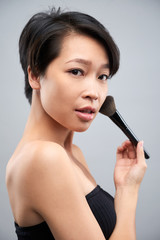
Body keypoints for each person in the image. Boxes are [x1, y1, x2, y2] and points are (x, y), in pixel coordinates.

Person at [6, 7, 147, 240]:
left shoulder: (72, 154)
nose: (94, 92)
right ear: (35, 75)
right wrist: (129, 193)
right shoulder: (43, 158)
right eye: (76, 71)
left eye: (102, 76)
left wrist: (124, 186)